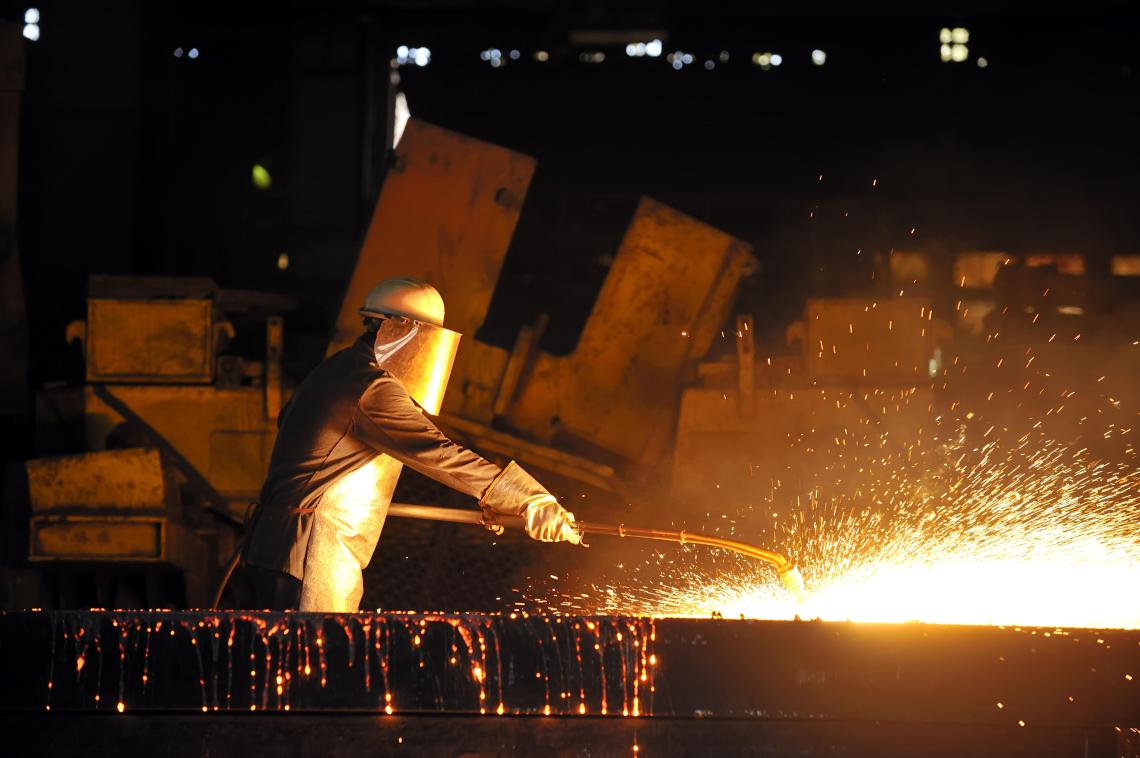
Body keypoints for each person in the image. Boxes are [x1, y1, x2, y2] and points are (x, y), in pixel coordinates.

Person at [239, 277, 580, 611]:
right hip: (307, 551)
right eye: (425, 337)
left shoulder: (342, 367)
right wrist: (527, 499)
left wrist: (496, 498)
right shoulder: (370, 386)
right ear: (397, 329)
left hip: (278, 548)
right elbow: (436, 453)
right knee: (315, 660)